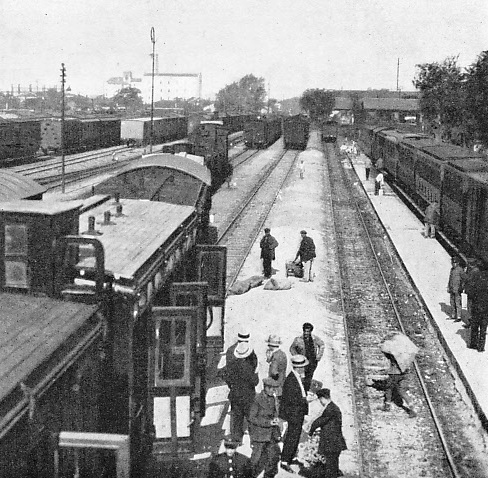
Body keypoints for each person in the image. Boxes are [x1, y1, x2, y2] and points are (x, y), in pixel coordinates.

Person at [224, 340, 259, 443]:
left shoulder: (232, 364)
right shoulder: (248, 367)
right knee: (250, 417)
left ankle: (236, 439)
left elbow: (227, 377)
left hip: (235, 395)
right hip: (248, 396)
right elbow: (255, 382)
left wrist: (232, 386)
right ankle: (254, 440)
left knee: (237, 418)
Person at [279, 354, 309, 472]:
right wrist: (305, 400)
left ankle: (291, 457)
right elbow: (291, 399)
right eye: (303, 366)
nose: (304, 368)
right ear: (299, 367)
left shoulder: (297, 377)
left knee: (295, 436)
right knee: (292, 436)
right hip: (294, 414)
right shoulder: (291, 380)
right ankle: (285, 461)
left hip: (298, 413)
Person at [308, 389, 347, 478]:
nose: (320, 402)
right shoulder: (333, 407)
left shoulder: (330, 409)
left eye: (320, 400)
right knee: (333, 464)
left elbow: (319, 421)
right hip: (335, 442)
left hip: (331, 442)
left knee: (330, 466)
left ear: (322, 398)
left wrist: (310, 431)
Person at [248, 377, 282, 478]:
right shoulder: (257, 399)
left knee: (273, 457)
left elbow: (275, 412)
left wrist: (275, 419)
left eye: (274, 389)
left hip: (271, 434)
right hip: (259, 434)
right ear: (265, 388)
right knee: (256, 459)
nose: (273, 391)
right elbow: (252, 418)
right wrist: (268, 422)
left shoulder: (273, 398)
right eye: (271, 388)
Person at [290, 322, 325, 393]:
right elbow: (292, 348)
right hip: (302, 362)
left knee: (309, 377)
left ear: (310, 332)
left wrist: (319, 356)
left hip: (312, 361)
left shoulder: (315, 339)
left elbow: (322, 345)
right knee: (301, 377)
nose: (306, 333)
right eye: (305, 331)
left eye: (308, 331)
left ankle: (306, 391)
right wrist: (297, 357)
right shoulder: (298, 339)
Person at [381, 352, 416, 418]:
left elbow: (388, 356)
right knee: (402, 391)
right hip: (404, 374)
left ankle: (387, 406)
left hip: (394, 373)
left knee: (389, 388)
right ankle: (412, 409)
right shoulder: (406, 353)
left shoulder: (393, 352)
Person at [469, 265, 488, 352]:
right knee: (483, 329)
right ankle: (481, 347)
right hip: (485, 310)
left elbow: (471, 295)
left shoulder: (476, 283)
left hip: (476, 308)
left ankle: (473, 344)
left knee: (475, 327)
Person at [265, 334, 287, 401]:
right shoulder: (282, 354)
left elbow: (273, 372)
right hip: (282, 383)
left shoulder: (275, 356)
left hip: (275, 386)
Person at [463, 258, 481, 329]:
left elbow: (467, 279)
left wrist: (464, 273)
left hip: (472, 292)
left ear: (471, 264)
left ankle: (471, 323)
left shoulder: (474, 271)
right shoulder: (475, 270)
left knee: (470, 307)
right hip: (472, 292)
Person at [447, 256, 466, 322]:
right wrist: (448, 287)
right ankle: (453, 315)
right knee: (452, 302)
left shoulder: (460, 270)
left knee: (458, 303)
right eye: (452, 262)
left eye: (455, 262)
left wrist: (462, 287)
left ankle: (458, 316)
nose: (453, 264)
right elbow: (450, 279)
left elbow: (464, 279)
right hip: (452, 288)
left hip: (458, 289)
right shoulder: (452, 269)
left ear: (457, 263)